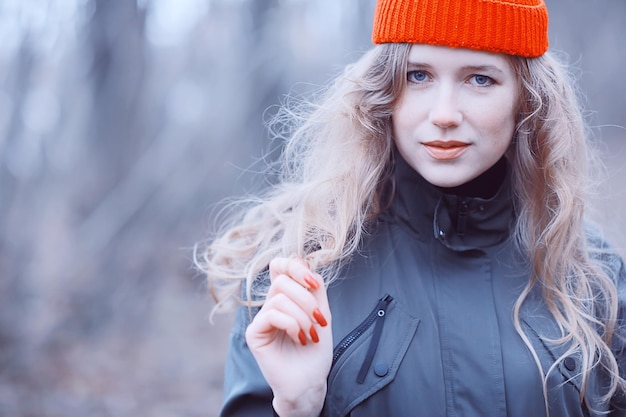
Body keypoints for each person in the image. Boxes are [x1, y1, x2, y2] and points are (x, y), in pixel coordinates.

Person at [198, 0, 626, 415]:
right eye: (417, 75)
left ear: (527, 100)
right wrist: (296, 408)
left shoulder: (592, 275)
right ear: (384, 89)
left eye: (479, 79)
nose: (443, 114)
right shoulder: (299, 266)